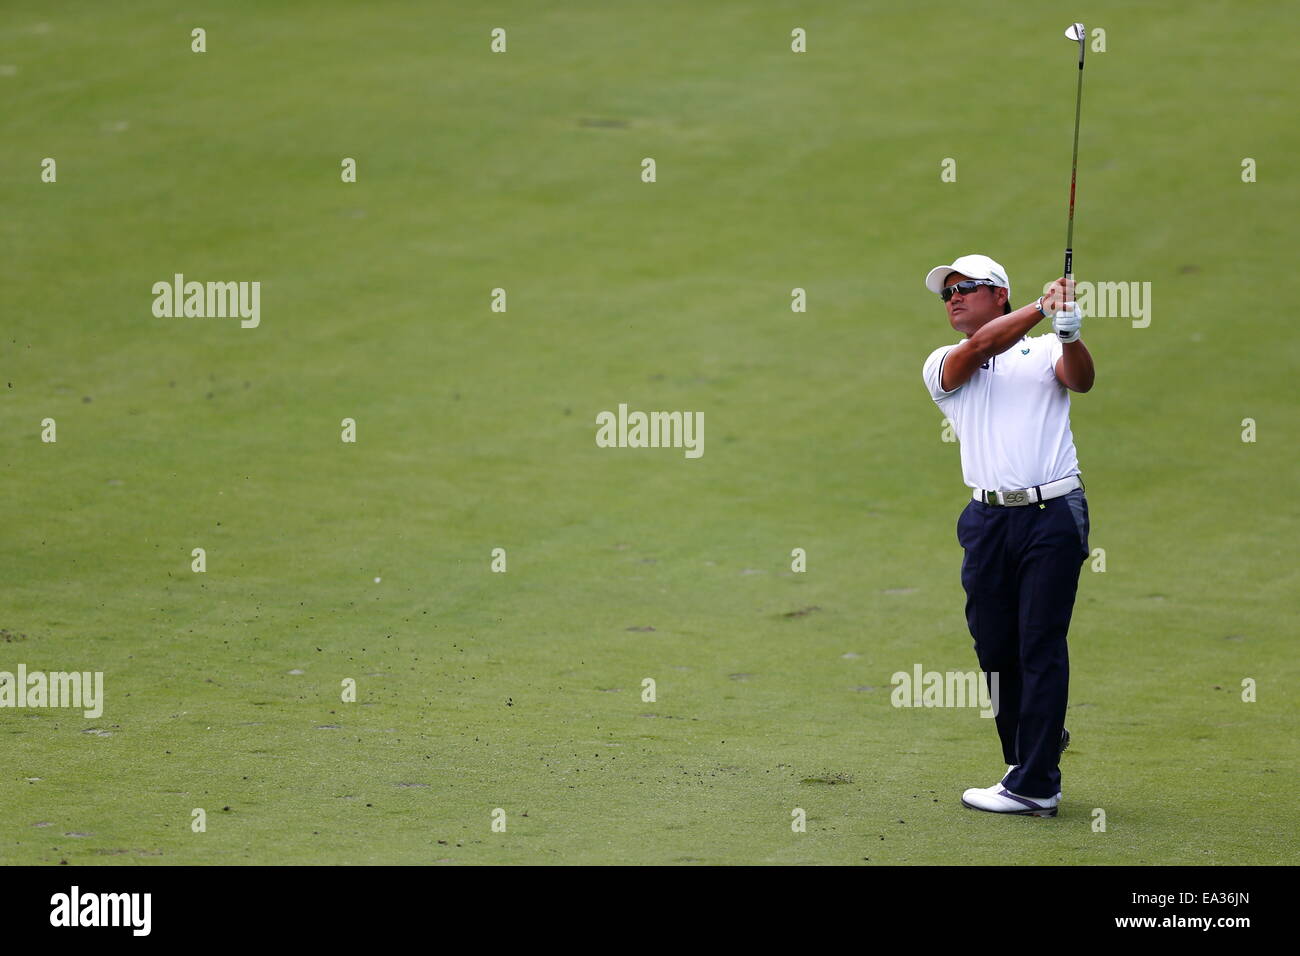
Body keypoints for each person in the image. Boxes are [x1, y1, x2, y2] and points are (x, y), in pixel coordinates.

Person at [920, 254, 1095, 818]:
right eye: (947, 293)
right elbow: (979, 350)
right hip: (988, 519)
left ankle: (1035, 783)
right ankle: (1030, 752)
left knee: (1040, 640)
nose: (953, 297)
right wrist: (1043, 308)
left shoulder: (1042, 349)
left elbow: (1082, 380)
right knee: (995, 648)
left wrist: (1067, 335)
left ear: (998, 293)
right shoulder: (944, 360)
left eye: (966, 287)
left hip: (1053, 512)